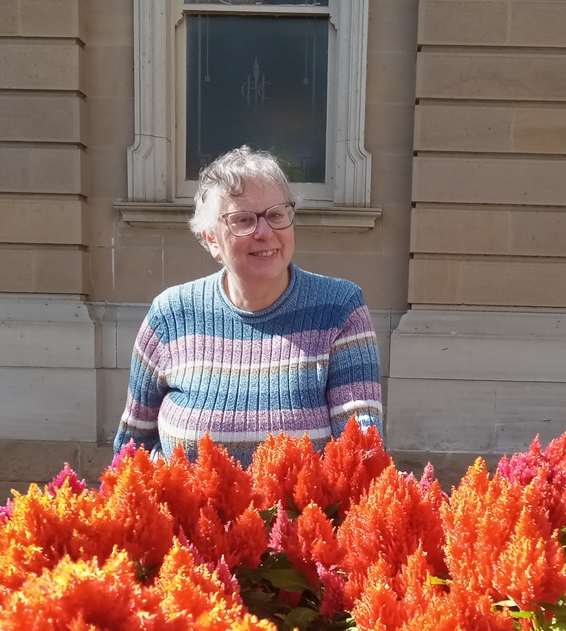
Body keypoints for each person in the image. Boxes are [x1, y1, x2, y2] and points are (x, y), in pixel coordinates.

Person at [114, 146, 384, 466]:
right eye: (243, 220)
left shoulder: (339, 309)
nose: (265, 232)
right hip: (193, 514)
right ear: (212, 239)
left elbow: (363, 453)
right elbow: (131, 451)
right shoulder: (170, 316)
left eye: (276, 215)